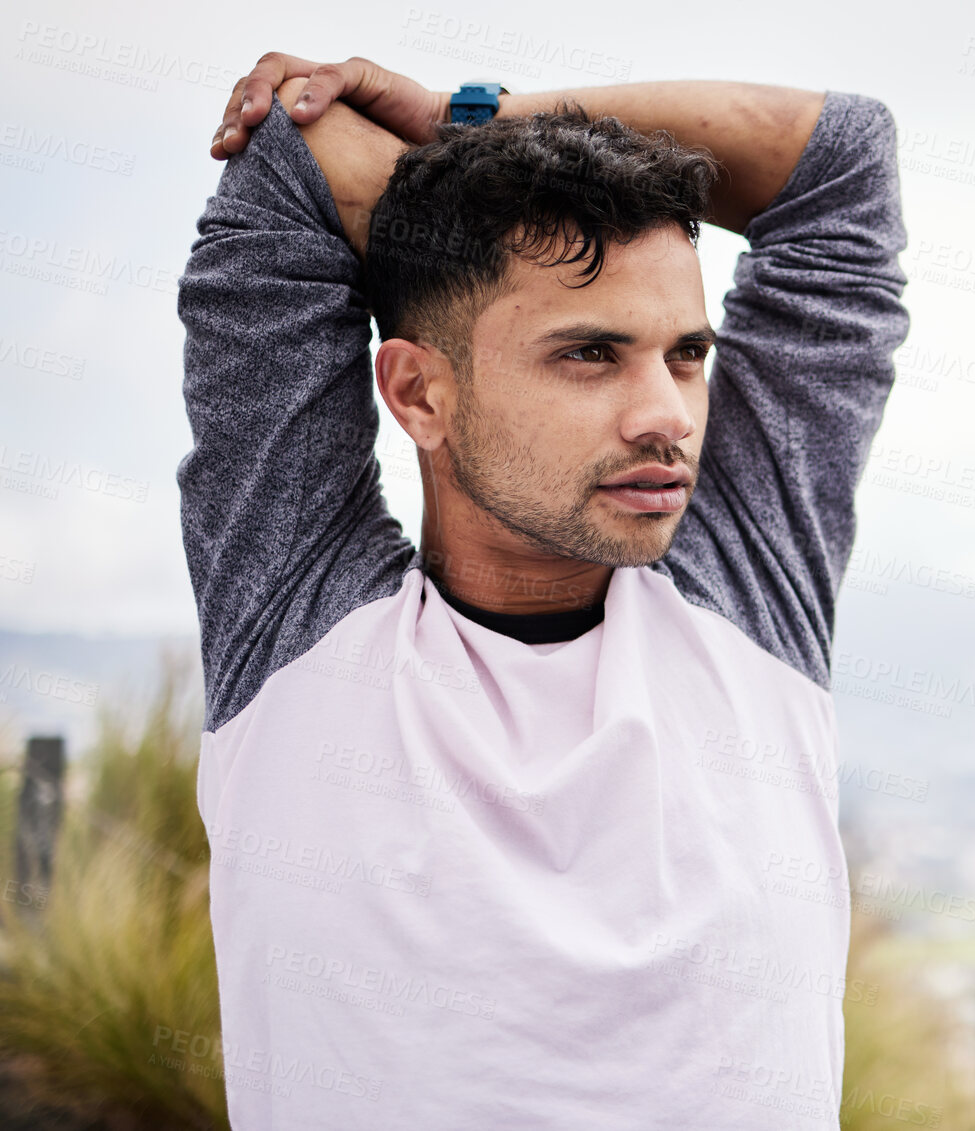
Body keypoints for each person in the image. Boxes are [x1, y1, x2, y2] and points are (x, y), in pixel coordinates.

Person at [178, 53, 909, 1129]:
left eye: (687, 353)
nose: (666, 414)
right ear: (418, 393)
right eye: (590, 354)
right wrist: (471, 205)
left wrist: (471, 124)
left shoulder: (751, 593)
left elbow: (842, 159)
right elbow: (298, 149)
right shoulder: (296, 622)